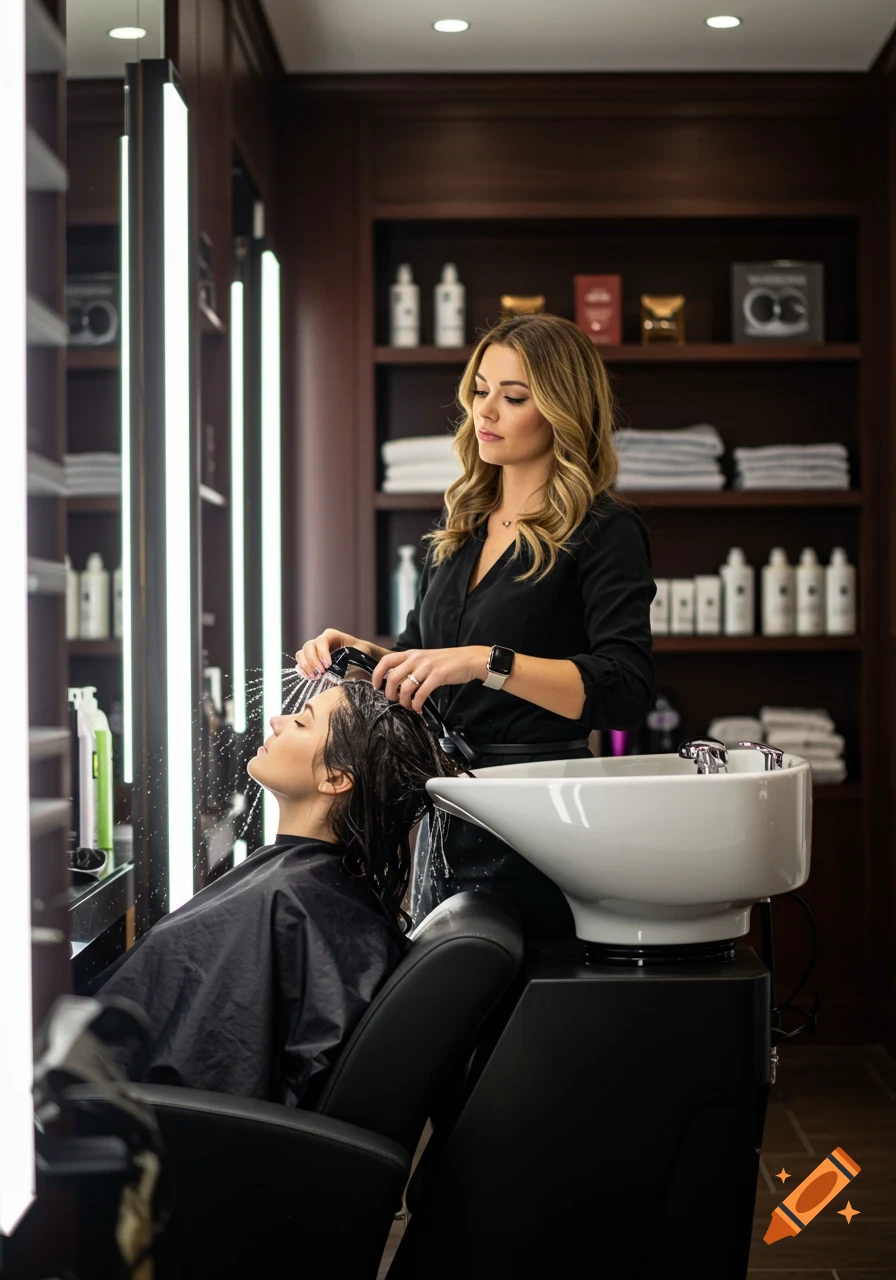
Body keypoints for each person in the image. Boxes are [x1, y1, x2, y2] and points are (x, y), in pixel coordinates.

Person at [297, 313, 655, 942]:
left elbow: (624, 689)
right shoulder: (461, 524)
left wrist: (489, 661)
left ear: (562, 412)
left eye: (513, 397)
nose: (485, 411)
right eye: (480, 390)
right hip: (451, 806)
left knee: (523, 1007)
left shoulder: (604, 532)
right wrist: (358, 653)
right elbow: (418, 660)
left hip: (545, 817)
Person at [90, 680, 460, 1106]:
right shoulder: (308, 891)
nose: (276, 720)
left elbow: (211, 1077)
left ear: (335, 778)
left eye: (301, 722)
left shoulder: (285, 900)